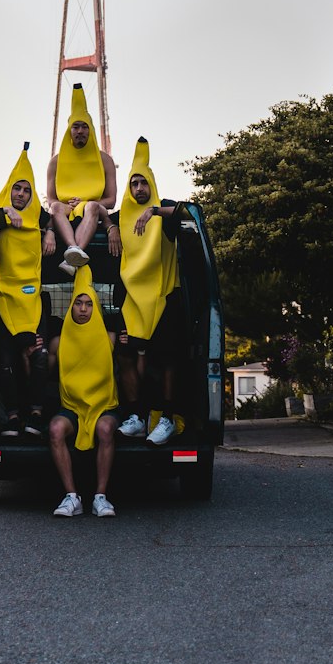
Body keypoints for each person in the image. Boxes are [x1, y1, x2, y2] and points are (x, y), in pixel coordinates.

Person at [0, 143, 56, 437]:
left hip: (32, 302)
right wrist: (4, 210)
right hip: (0, 300)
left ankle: (36, 415)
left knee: (40, 357)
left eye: (26, 190)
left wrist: (51, 233)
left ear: (32, 194)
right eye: (16, 189)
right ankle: (13, 418)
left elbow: (55, 217)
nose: (20, 194)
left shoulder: (39, 216)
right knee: (5, 362)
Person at [109, 137, 184, 446]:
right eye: (134, 183)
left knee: (165, 361)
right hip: (134, 303)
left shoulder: (162, 212)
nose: (138, 188)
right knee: (127, 356)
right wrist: (111, 227)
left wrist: (154, 211)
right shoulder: (122, 215)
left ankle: (166, 417)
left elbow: (190, 212)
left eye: (143, 183)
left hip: (164, 299)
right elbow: (96, 214)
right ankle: (137, 416)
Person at [49, 265, 119, 518]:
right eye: (78, 303)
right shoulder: (58, 341)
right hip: (72, 407)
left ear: (95, 307)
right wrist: (35, 352)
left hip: (103, 405)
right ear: (71, 306)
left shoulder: (109, 337)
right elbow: (43, 375)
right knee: (56, 429)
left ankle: (100, 497)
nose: (83, 308)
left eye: (89, 304)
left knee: (105, 429)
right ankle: (72, 497)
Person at [46, 83, 117, 275]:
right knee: (55, 207)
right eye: (75, 126)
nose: (80, 131)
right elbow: (51, 199)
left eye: (84, 127)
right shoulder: (55, 162)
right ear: (69, 130)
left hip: (94, 210)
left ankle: (72, 253)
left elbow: (111, 201)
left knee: (92, 207)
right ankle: (74, 250)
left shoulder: (105, 160)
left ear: (90, 130)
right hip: (66, 209)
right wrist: (67, 203)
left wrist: (87, 202)